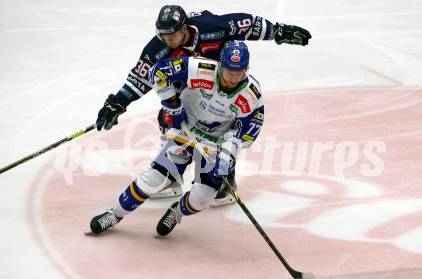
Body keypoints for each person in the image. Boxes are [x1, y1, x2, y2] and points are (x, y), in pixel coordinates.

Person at [95, 5, 311, 205]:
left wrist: (278, 31)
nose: (167, 39)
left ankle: (224, 180)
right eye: (163, 34)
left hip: (223, 84)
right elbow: (140, 78)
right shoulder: (157, 48)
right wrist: (118, 103)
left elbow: (246, 24)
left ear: (184, 27)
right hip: (189, 91)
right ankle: (171, 175)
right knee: (168, 118)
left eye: (172, 34)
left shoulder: (210, 27)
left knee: (224, 129)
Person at [88, 40, 264, 236]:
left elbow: (245, 133)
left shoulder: (251, 95)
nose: (232, 78)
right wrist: (172, 104)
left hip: (216, 144)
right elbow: (157, 72)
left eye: (238, 73)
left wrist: (226, 157)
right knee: (153, 179)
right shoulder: (200, 68)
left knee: (202, 198)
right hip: (186, 132)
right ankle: (114, 214)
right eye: (229, 72)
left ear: (246, 70)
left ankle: (176, 212)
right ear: (221, 65)